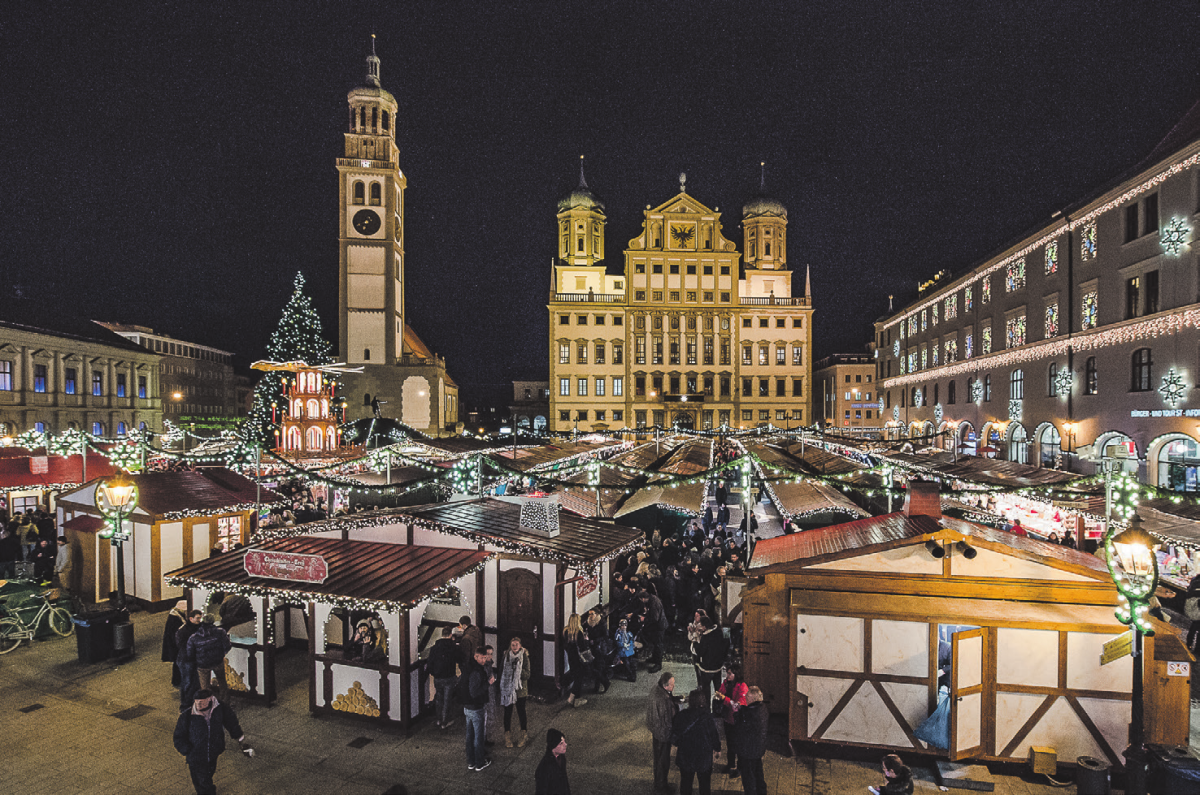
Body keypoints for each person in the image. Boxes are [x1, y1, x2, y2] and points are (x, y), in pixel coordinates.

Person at [173, 689, 246, 795]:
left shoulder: (219, 708)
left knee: (206, 776)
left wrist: (238, 736)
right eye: (197, 701)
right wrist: (187, 750)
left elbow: (231, 721)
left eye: (201, 701)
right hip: (196, 755)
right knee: (203, 780)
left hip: (213, 752)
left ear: (210, 699)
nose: (198, 704)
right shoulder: (188, 715)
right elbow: (178, 736)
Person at [672, 689, 721, 795]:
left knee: (685, 783)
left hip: (685, 757)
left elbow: (675, 735)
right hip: (703, 758)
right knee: (704, 785)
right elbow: (714, 735)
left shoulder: (682, 715)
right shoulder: (707, 718)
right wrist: (717, 749)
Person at [460, 644, 494, 771]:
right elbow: (475, 692)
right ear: (475, 656)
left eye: (485, 657)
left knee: (469, 736)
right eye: (481, 657)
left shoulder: (468, 667)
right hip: (476, 708)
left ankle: (471, 761)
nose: (484, 660)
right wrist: (488, 683)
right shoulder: (477, 671)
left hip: (467, 707)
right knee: (478, 737)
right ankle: (479, 762)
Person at [646, 670, 679, 795]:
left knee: (659, 760)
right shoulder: (663, 699)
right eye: (672, 684)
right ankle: (661, 787)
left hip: (657, 732)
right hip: (662, 735)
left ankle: (660, 784)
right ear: (665, 686)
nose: (673, 686)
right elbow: (667, 721)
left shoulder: (658, 690)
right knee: (662, 762)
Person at [733, 686, 769, 795]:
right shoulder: (763, 708)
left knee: (748, 777)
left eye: (747, 695)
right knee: (758, 772)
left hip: (748, 751)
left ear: (753, 699)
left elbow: (740, 727)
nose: (745, 696)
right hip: (758, 748)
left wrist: (737, 713)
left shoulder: (749, 713)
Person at [715, 665, 749, 776]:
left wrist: (724, 698)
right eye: (727, 673)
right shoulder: (725, 683)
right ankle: (730, 764)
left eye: (730, 673)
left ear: (736, 674)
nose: (727, 675)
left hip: (737, 720)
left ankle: (739, 768)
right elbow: (720, 692)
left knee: (738, 744)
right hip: (727, 718)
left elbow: (737, 706)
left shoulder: (742, 687)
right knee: (730, 743)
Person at [187, 615, 232, 696]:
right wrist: (222, 654)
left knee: (204, 687)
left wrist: (197, 660)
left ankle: (208, 703)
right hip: (217, 661)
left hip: (202, 664)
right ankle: (225, 703)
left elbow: (190, 652)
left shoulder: (194, 636)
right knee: (222, 682)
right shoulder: (220, 632)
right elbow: (227, 646)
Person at [427, 626, 462, 729]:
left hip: (438, 677)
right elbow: (460, 658)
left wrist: (434, 673)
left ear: (442, 635)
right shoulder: (453, 647)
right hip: (449, 676)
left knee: (438, 698)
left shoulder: (434, 648)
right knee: (447, 699)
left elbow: (430, 663)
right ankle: (445, 721)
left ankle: (438, 719)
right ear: (451, 635)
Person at [499, 636, 531, 747]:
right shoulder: (506, 656)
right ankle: (507, 736)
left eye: (517, 644)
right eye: (513, 645)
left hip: (520, 689)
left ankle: (523, 734)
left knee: (521, 711)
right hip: (508, 689)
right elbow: (501, 671)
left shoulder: (524, 657)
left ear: (520, 646)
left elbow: (527, 674)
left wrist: (518, 671)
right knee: (507, 712)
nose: (515, 647)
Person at [692, 616, 728, 702]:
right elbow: (725, 645)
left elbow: (701, 652)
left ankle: (707, 709)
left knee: (706, 691)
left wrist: (695, 643)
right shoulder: (719, 632)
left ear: (704, 627)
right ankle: (718, 707)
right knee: (718, 690)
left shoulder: (706, 637)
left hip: (707, 669)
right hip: (718, 667)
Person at [560, 613, 592, 707]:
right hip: (579, 658)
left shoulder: (565, 631)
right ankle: (572, 697)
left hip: (571, 657)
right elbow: (582, 647)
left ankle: (577, 699)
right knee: (579, 678)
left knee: (576, 676)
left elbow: (564, 645)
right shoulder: (579, 632)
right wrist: (586, 640)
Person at [176, 610, 205, 708]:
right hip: (186, 660)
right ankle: (185, 703)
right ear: (191, 618)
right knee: (187, 681)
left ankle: (192, 700)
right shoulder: (183, 630)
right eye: (197, 618)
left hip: (193, 659)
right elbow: (181, 645)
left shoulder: (199, 627)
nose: (199, 620)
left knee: (195, 681)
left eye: (200, 618)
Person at [535, 728, 571, 795]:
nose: (565, 745)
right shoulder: (544, 768)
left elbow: (564, 780)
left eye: (564, 742)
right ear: (553, 746)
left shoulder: (561, 757)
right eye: (561, 743)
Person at [641, 588, 669, 673]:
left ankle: (658, 664)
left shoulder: (653, 604)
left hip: (659, 627)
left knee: (658, 645)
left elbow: (654, 618)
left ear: (643, 598)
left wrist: (644, 619)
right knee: (655, 643)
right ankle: (654, 658)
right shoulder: (653, 599)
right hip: (659, 625)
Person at [162, 601, 190, 687]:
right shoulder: (175, 619)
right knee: (177, 663)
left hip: (173, 644)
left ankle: (177, 680)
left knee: (177, 662)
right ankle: (177, 680)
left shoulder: (174, 616)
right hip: (175, 645)